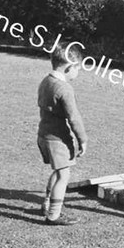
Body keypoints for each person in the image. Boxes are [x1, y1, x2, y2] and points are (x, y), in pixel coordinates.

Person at [37, 42, 87, 225]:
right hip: (57, 139)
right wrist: (83, 140)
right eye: (77, 69)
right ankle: (53, 215)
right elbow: (74, 118)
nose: (77, 73)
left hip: (43, 135)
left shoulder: (46, 81)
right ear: (69, 67)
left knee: (58, 171)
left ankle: (47, 203)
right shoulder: (64, 88)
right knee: (63, 176)